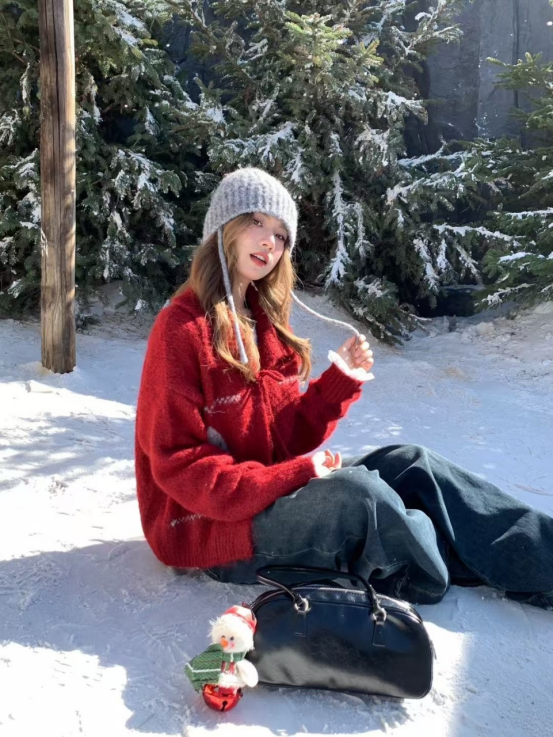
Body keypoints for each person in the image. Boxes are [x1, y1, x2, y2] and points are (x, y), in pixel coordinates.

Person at [135, 167, 553, 610]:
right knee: (362, 497)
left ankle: (542, 556)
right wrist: (294, 475)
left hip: (265, 494)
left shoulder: (265, 324)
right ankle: (445, 558)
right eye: (256, 221)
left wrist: (339, 383)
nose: (270, 242)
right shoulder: (181, 330)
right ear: (224, 227)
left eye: (281, 234)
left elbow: (286, 437)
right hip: (207, 528)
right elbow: (181, 466)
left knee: (412, 464)